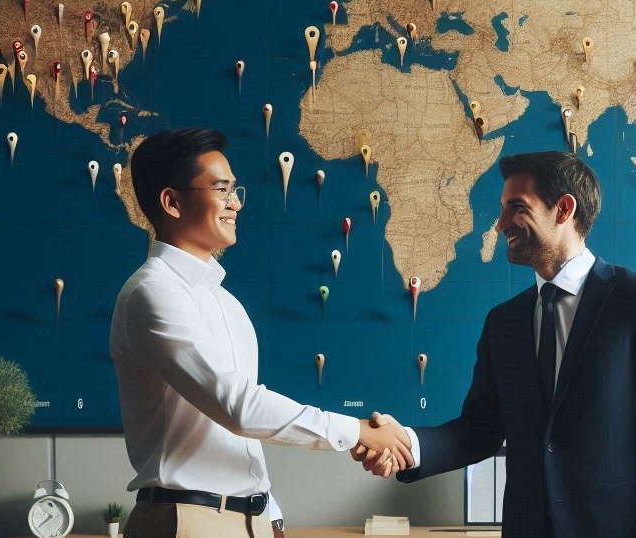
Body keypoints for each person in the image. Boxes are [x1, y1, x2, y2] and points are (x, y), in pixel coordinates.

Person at [356, 151, 636, 537]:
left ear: (564, 209)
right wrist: (407, 443)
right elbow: (480, 430)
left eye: (516, 208)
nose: (500, 224)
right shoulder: (502, 323)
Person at [110, 128, 411, 538]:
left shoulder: (226, 304)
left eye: (235, 191)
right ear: (172, 202)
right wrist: (357, 431)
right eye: (221, 190)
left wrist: (270, 514)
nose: (235, 203)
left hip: (249, 521)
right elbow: (239, 407)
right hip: (187, 521)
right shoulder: (152, 293)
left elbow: (239, 433)